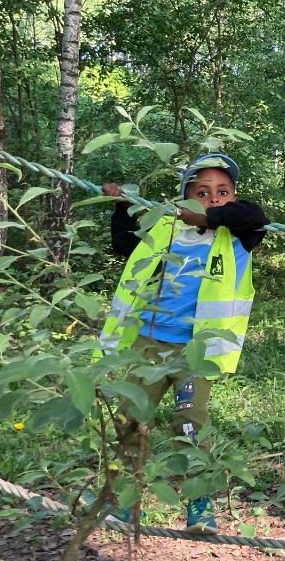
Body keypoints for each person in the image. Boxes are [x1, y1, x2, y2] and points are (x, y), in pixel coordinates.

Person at [100, 153, 270, 534]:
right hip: (150, 343)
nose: (213, 198)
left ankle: (200, 505)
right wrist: (124, 206)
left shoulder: (239, 236)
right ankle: (125, 502)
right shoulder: (165, 228)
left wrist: (208, 217)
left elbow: (255, 215)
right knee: (131, 419)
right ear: (184, 196)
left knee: (189, 424)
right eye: (202, 191)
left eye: (222, 191)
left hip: (197, 352)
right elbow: (125, 246)